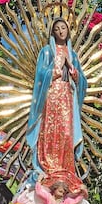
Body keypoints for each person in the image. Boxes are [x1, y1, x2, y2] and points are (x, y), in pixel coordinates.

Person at [25, 18, 86, 192]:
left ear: (68, 30)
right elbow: (40, 75)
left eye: (63, 28)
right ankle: (49, 168)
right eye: (57, 28)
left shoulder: (73, 55)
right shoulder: (46, 52)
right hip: (51, 97)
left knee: (66, 132)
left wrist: (73, 70)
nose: (61, 31)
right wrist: (57, 69)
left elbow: (82, 81)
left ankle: (66, 169)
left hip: (67, 98)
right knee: (51, 130)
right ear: (53, 32)